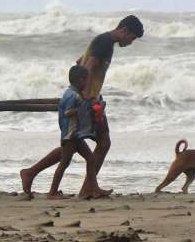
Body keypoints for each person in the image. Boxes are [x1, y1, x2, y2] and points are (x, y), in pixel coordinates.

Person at [20, 14, 144, 199]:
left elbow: (80, 62)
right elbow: (87, 67)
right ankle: (87, 188)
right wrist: (87, 97)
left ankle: (32, 173)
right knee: (101, 143)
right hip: (88, 101)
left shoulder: (105, 42)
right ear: (124, 30)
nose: (131, 42)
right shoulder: (104, 42)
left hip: (87, 98)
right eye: (132, 38)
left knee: (73, 146)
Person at [38, 65, 96, 200]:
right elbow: (67, 112)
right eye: (86, 80)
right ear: (80, 80)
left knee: (91, 158)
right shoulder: (71, 95)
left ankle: (92, 188)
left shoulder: (75, 93)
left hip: (76, 135)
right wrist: (82, 109)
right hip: (70, 135)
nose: (87, 83)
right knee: (64, 162)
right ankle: (52, 192)